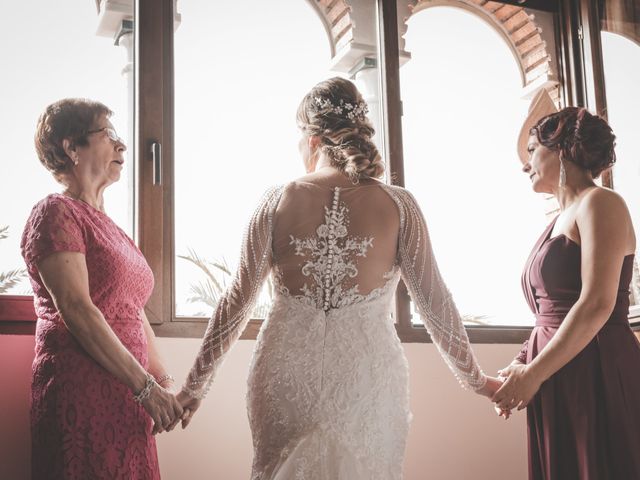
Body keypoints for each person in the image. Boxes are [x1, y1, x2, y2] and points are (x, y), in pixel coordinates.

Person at [176, 77, 501, 479]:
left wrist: (195, 387)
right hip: (366, 376)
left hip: (285, 372)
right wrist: (477, 380)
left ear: (312, 140)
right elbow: (434, 303)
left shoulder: (276, 200)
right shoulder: (400, 205)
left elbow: (236, 300)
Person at [21, 98, 183, 479]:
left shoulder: (112, 227)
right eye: (108, 134)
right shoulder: (55, 212)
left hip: (129, 394)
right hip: (81, 389)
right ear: (71, 147)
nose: (122, 145)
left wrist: (162, 384)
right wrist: (145, 387)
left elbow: (132, 307)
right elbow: (76, 309)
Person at [493, 90, 640, 479]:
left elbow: (595, 303)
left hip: (596, 366)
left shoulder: (601, 203)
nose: (526, 163)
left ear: (561, 152)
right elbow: (547, 312)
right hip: (555, 367)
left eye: (532, 149)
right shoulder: (555, 222)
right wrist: (523, 365)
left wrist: (536, 373)